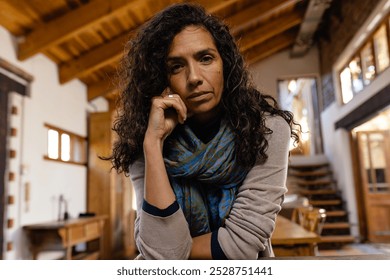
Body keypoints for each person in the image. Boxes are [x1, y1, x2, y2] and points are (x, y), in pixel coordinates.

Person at [108, 3, 299, 259]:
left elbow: (240, 247)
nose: (194, 77)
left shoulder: (267, 130)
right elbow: (159, 254)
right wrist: (153, 145)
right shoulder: (144, 137)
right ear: (161, 80)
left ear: (226, 64)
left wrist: (175, 253)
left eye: (205, 58)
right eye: (176, 66)